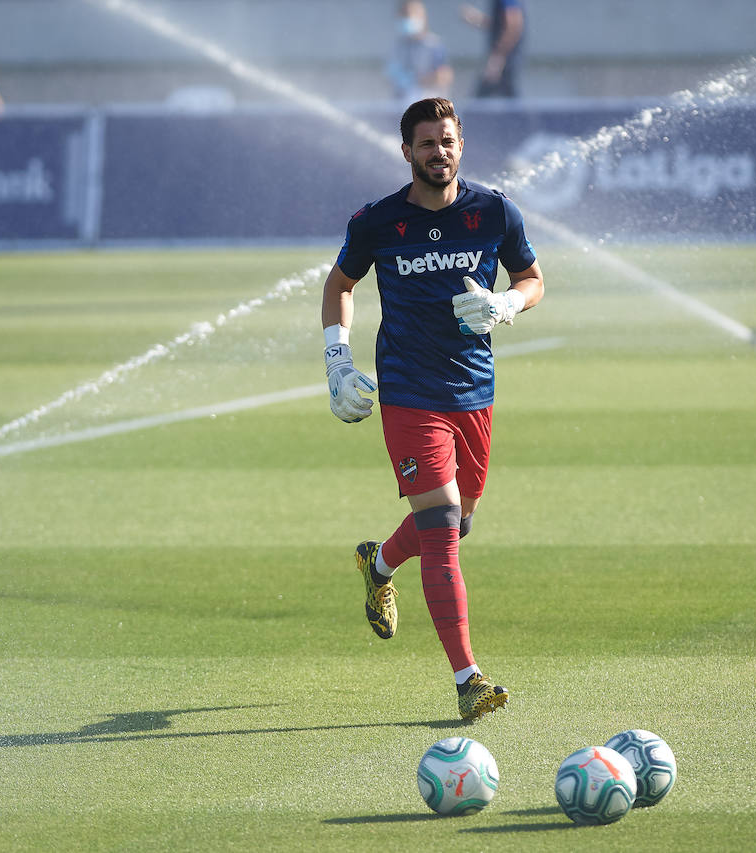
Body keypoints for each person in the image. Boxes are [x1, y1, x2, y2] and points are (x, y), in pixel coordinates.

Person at [320, 97, 544, 721]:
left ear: (460, 145)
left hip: (475, 389)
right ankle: (467, 678)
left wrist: (507, 306)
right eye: (426, 144)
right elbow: (340, 286)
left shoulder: (495, 212)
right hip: (409, 392)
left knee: (458, 521)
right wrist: (337, 359)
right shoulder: (376, 222)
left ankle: (379, 561)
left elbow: (533, 278)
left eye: (446, 141)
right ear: (406, 152)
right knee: (444, 527)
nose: (437, 152)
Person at [386, 0, 452, 105]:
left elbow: (444, 76)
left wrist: (416, 80)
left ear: (421, 17)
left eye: (408, 15)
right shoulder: (398, 46)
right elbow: (391, 75)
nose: (404, 19)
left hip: (428, 107)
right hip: (401, 106)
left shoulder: (433, 45)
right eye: (402, 16)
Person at [459, 0, 524, 98]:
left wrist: (498, 57)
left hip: (505, 61)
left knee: (483, 98)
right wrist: (477, 19)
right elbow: (499, 25)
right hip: (503, 61)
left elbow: (513, 26)